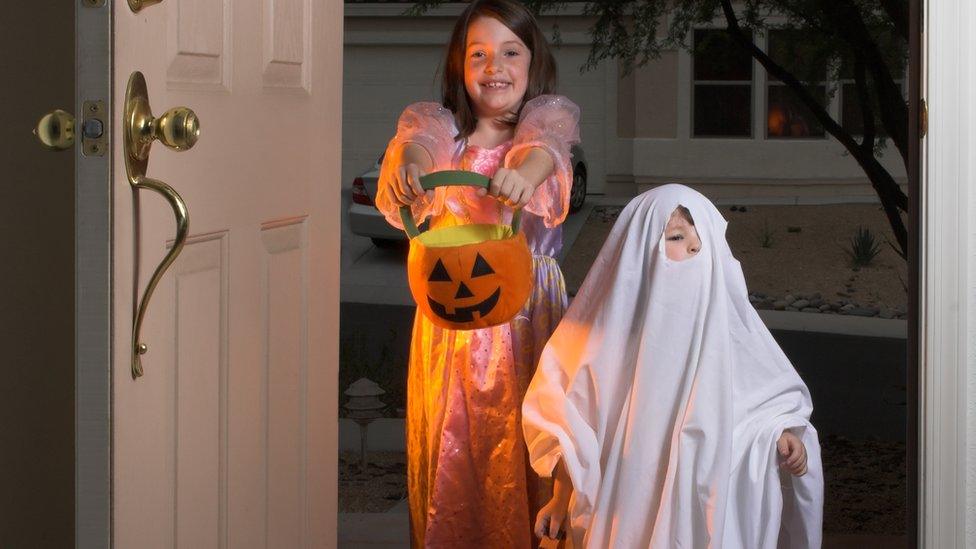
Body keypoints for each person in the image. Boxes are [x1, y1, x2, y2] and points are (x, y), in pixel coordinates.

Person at [373, 0, 580, 546]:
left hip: (528, 314)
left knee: (527, 435)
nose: (495, 67)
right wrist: (411, 167)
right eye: (479, 54)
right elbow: (415, 144)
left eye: (510, 52)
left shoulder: (543, 123)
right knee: (454, 442)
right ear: (459, 69)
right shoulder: (442, 130)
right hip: (452, 333)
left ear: (533, 64)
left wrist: (524, 177)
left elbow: (546, 152)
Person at [522, 184, 824, 548]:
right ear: (639, 252)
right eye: (677, 237)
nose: (695, 247)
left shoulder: (729, 332)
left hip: (702, 496)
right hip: (627, 499)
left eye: (702, 238)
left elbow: (762, 398)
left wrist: (781, 433)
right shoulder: (602, 338)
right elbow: (572, 422)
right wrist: (560, 496)